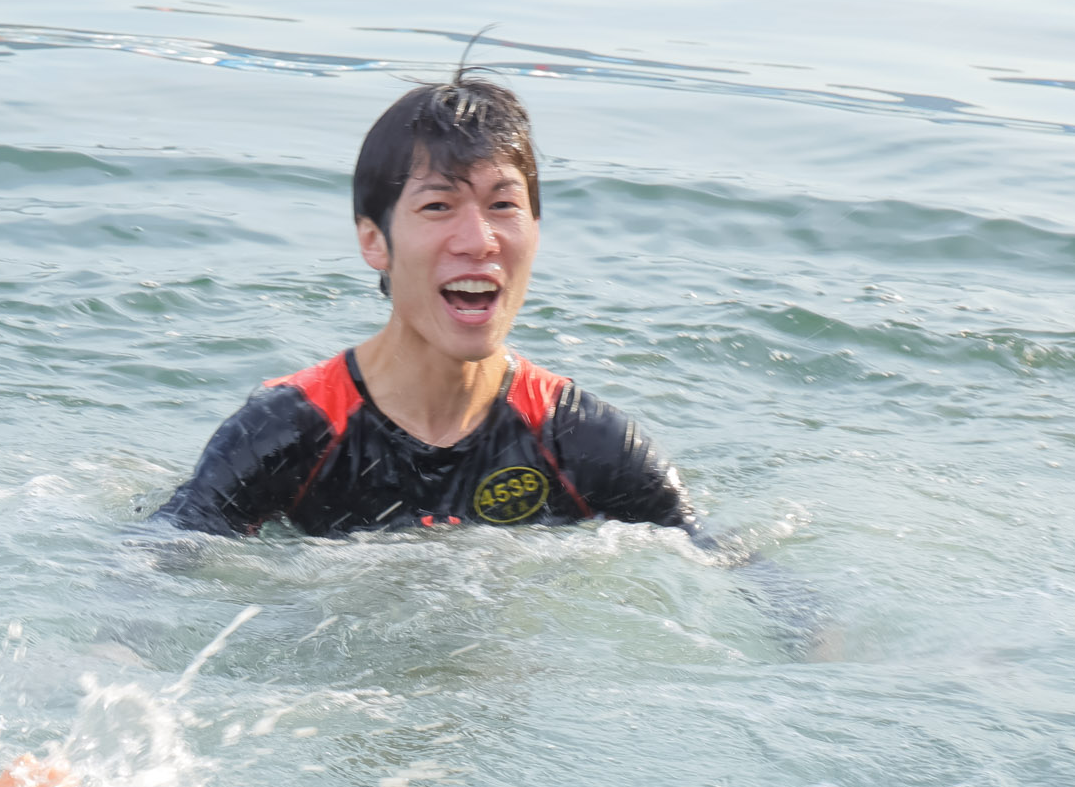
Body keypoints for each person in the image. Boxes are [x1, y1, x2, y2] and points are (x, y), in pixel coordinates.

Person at [151, 72, 694, 538]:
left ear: (536, 228)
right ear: (374, 241)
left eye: (503, 205)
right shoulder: (289, 433)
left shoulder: (581, 441)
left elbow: (718, 562)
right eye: (438, 205)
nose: (479, 241)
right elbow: (151, 560)